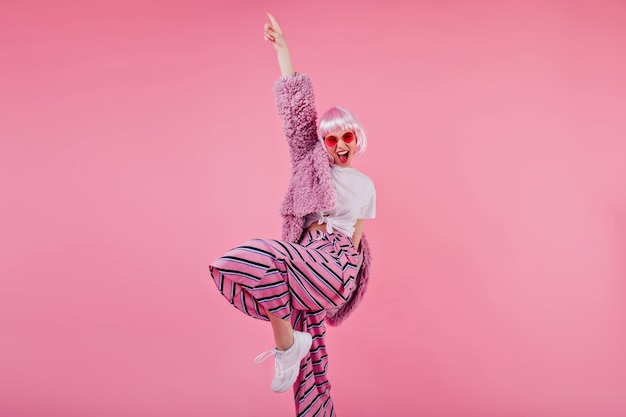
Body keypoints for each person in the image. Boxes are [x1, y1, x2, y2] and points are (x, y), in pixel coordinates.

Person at [208, 13, 376, 416]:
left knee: (268, 259)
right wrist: (282, 49)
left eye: (346, 136)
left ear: (357, 139)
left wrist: (344, 270)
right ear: (323, 142)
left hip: (335, 265)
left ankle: (287, 345)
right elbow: (297, 112)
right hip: (304, 256)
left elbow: (355, 238)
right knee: (313, 366)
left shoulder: (366, 186)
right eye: (330, 137)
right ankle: (293, 348)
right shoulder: (310, 161)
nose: (338, 144)